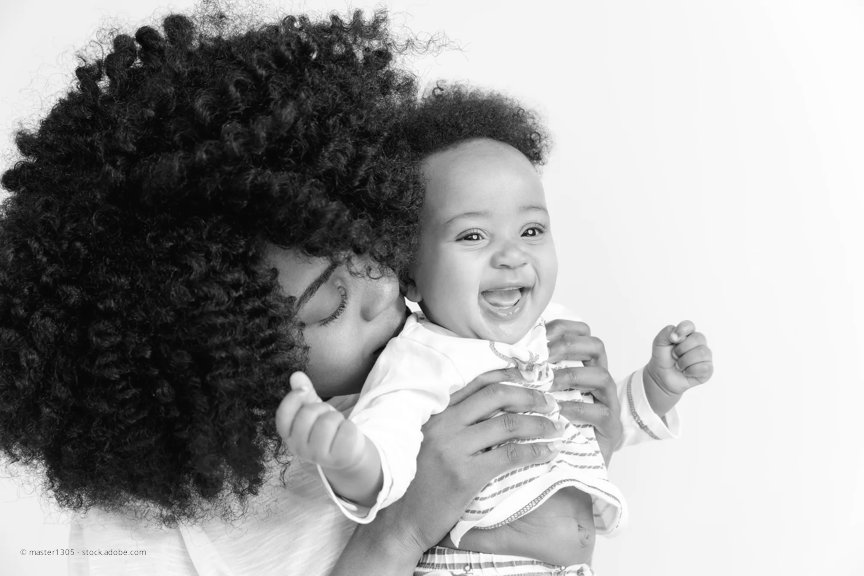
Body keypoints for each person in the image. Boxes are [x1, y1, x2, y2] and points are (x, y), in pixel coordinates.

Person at [0, 8, 698, 576]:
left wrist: (597, 430)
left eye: (369, 243)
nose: (377, 286)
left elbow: (548, 520)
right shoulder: (140, 534)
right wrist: (401, 529)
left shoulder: (438, 345)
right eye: (329, 305)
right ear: (224, 357)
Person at [277, 87, 714, 574]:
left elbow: (603, 428)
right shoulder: (423, 357)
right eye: (473, 236)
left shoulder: (556, 332)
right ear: (411, 276)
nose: (511, 255)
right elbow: (388, 456)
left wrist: (656, 385)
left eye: (531, 230)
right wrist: (349, 458)